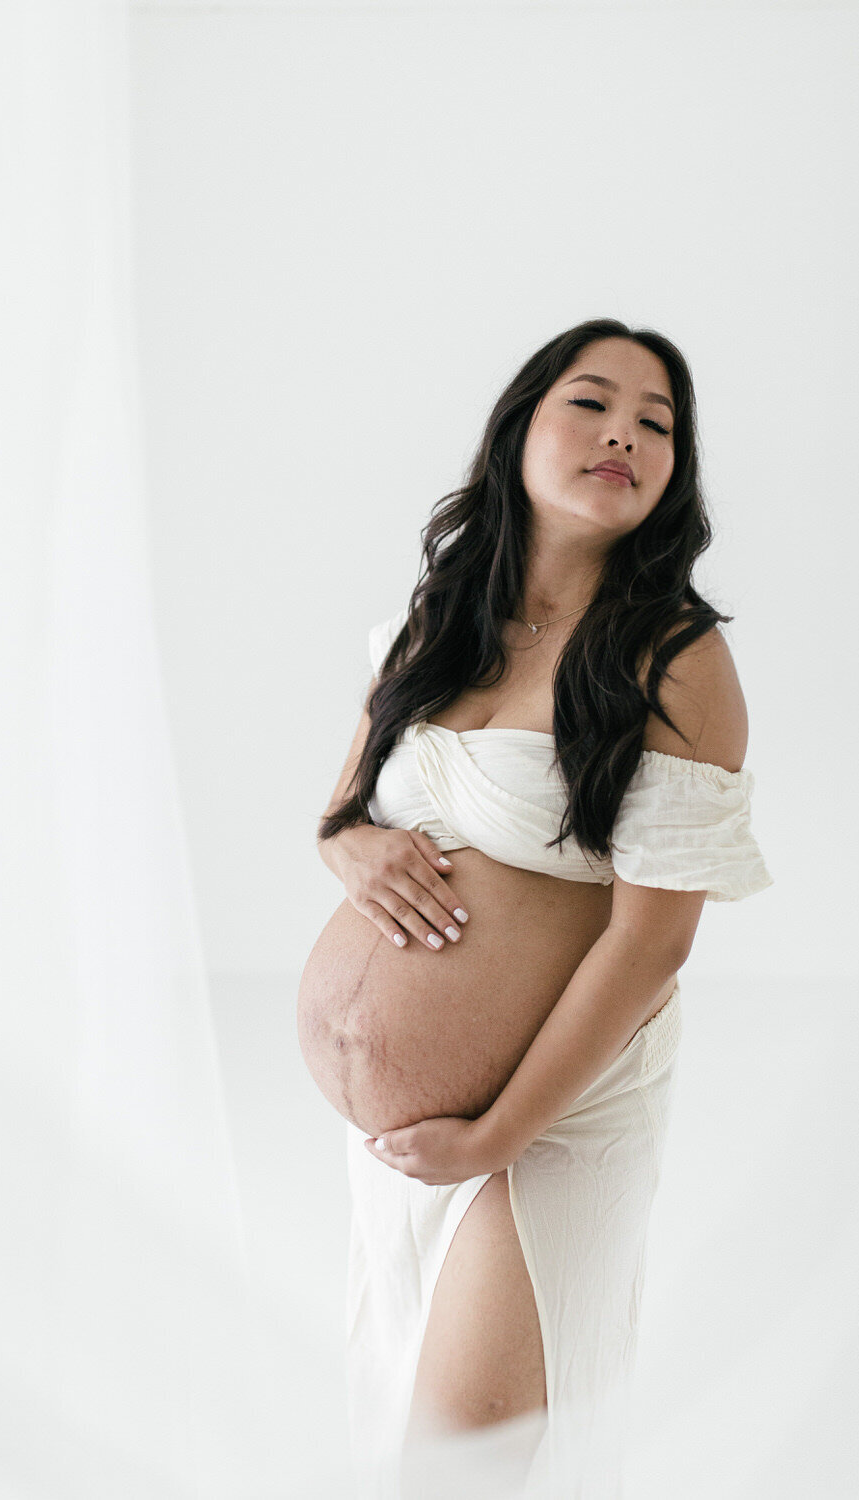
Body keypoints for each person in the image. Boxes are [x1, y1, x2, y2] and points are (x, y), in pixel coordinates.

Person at [312, 318, 774, 1498]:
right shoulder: (438, 620)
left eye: (657, 423)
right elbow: (341, 812)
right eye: (591, 400)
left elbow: (651, 943)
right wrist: (353, 846)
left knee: (462, 1457)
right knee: (401, 1437)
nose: (624, 429)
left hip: (558, 1114)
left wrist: (498, 1133)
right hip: (401, 1138)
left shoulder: (670, 658)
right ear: (519, 426)